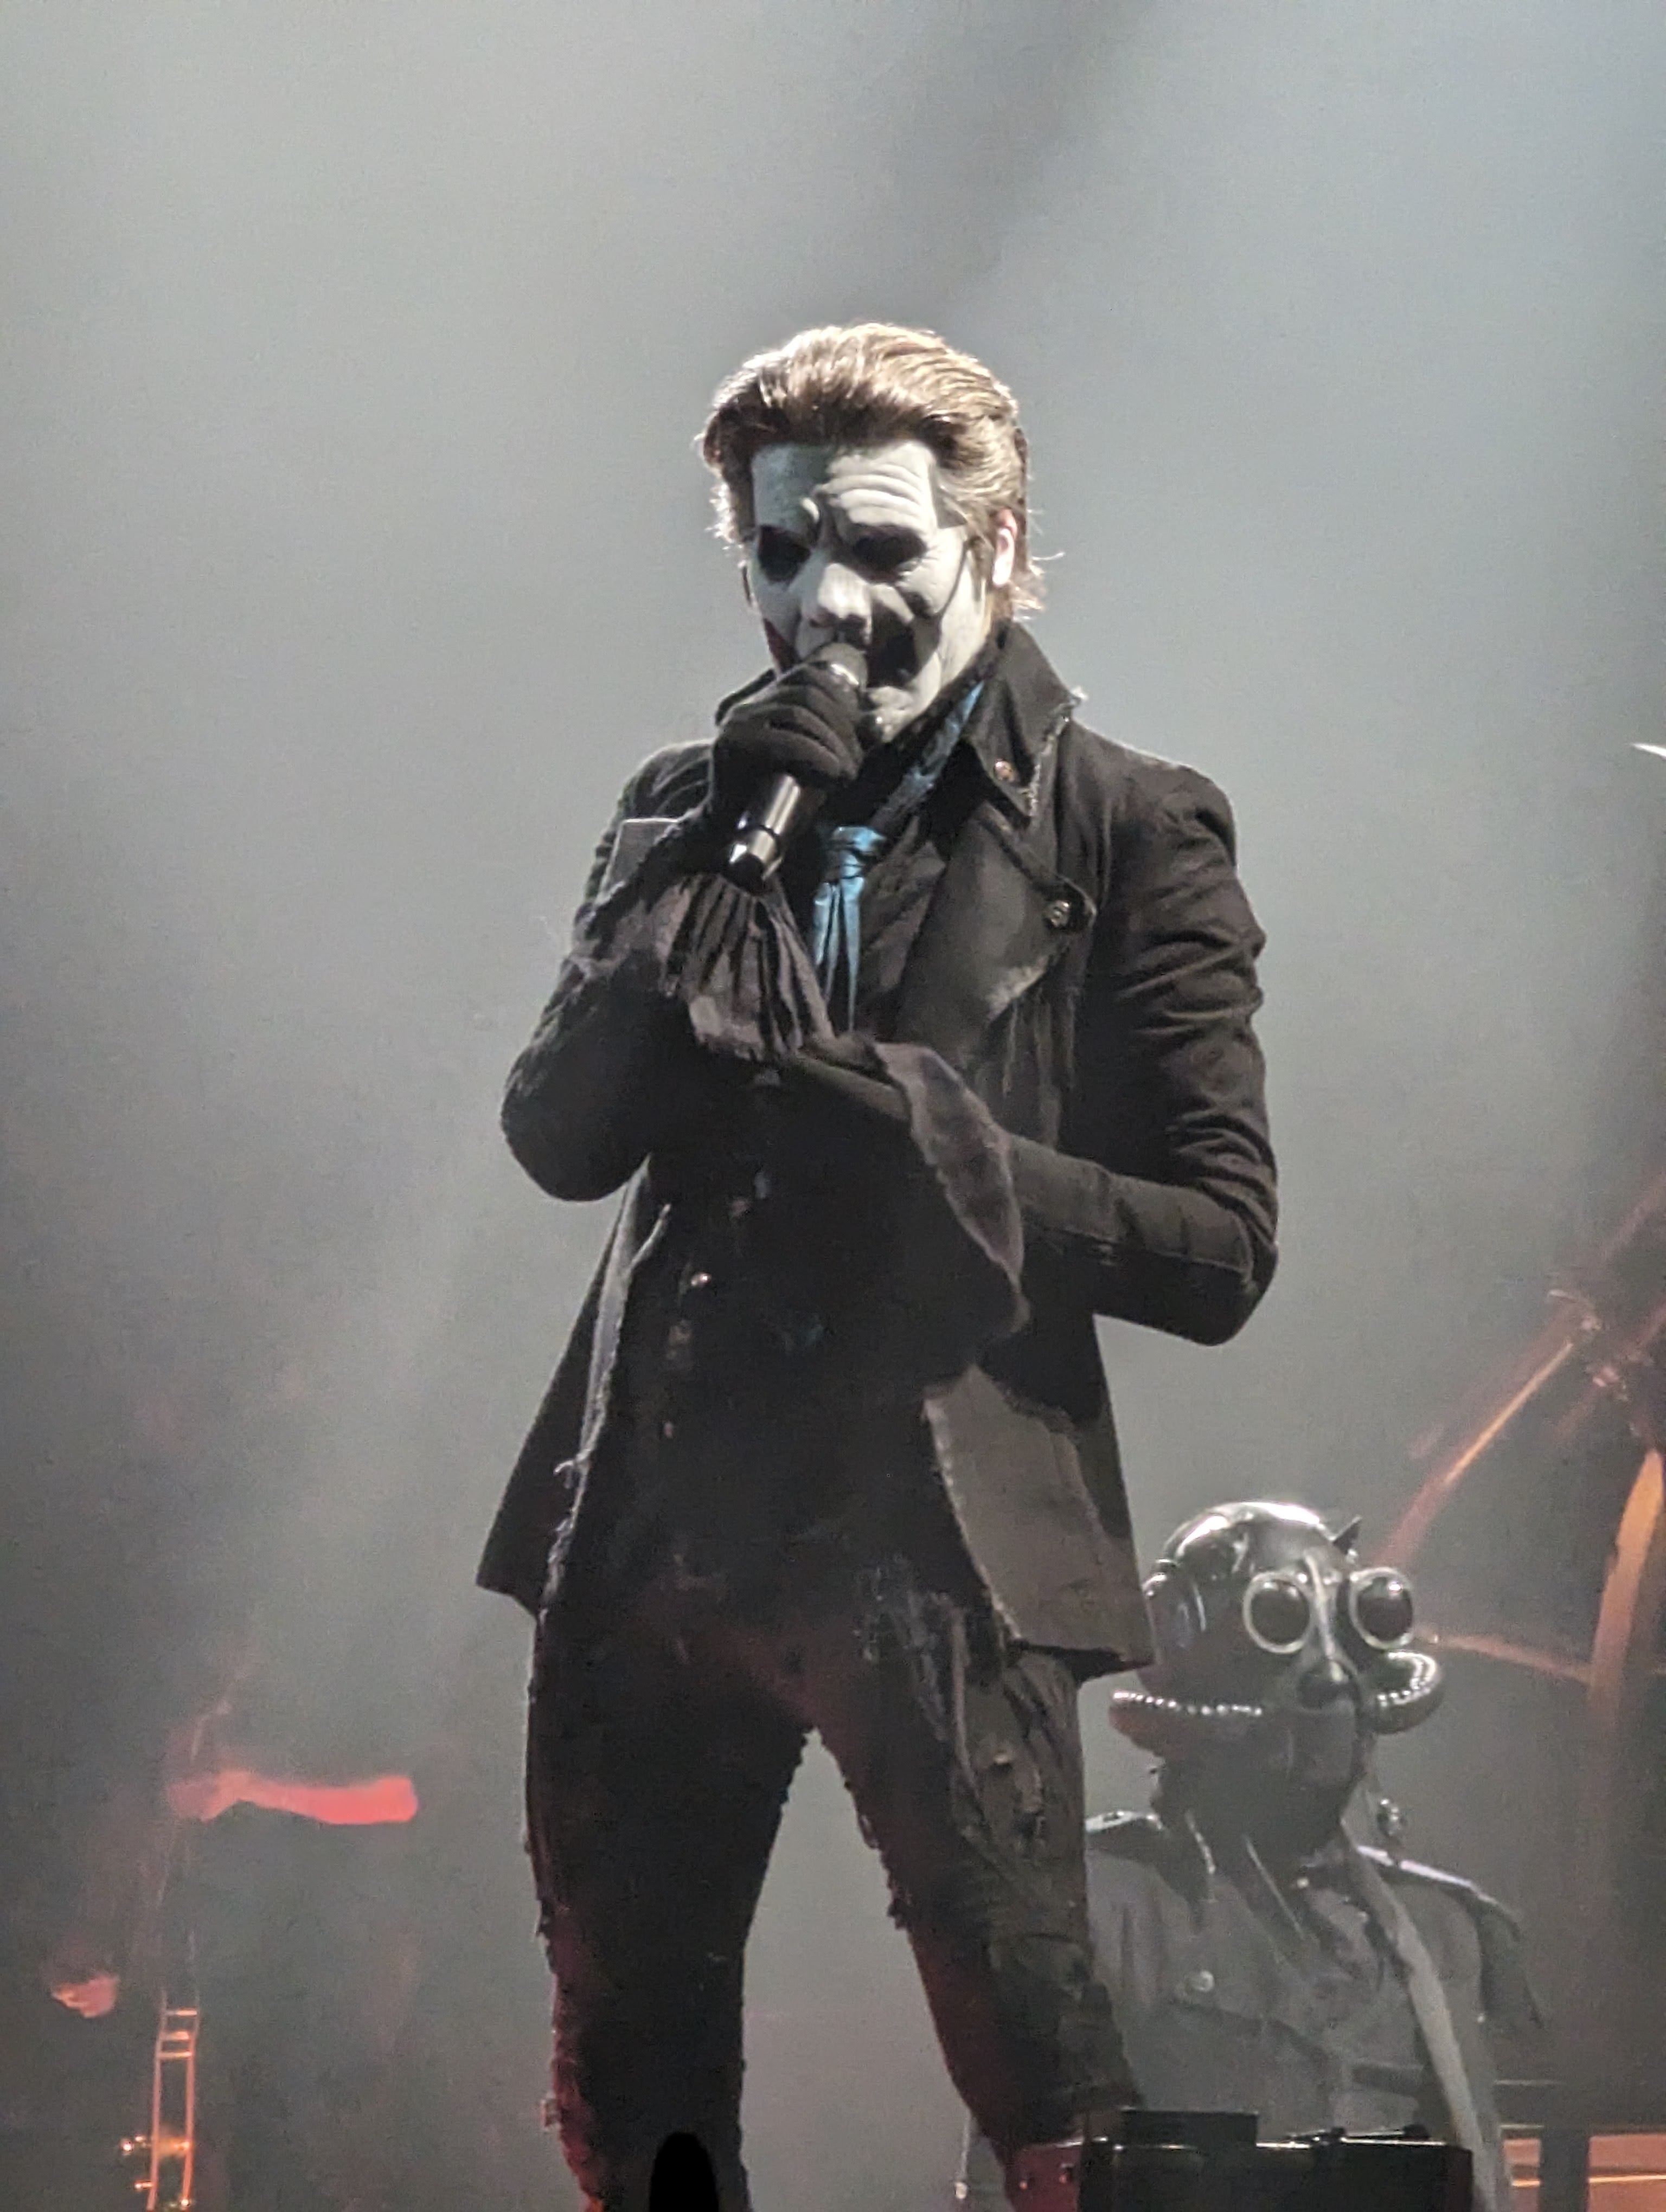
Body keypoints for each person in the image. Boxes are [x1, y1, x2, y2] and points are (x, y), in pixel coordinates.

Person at [477, 322, 1278, 2212]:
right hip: (657, 1519)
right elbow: (559, 1138)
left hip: (930, 1535)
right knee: (635, 2081)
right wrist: (702, 861)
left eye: (878, 551)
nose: (822, 608)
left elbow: (1223, 1242)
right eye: (779, 556)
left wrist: (955, 1166)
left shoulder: (1126, 827)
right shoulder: (690, 810)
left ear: (995, 547)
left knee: (1036, 2055)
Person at [956, 1502, 1542, 2212]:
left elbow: (1481, 2178)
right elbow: (1018, 2177)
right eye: (1282, 1621)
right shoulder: (1101, 1907)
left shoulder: (1438, 1931)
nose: (1329, 1681)